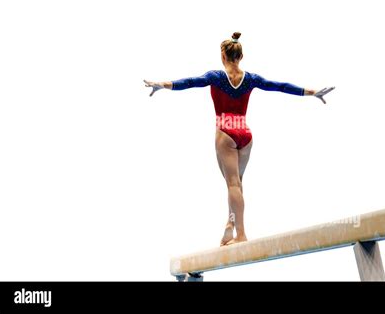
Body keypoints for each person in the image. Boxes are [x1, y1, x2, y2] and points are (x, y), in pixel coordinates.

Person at [144, 32, 335, 246]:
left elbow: (190, 82)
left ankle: (241, 234)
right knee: (237, 184)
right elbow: (279, 86)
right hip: (245, 133)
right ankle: (230, 225)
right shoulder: (251, 79)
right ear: (241, 57)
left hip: (225, 130)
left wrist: (163, 84)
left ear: (223, 56)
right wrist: (311, 92)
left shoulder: (215, 77)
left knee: (232, 184)